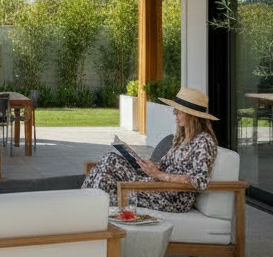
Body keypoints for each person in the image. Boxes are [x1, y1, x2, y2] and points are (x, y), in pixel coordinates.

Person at [82, 87, 219, 212]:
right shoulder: (182, 139)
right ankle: (84, 213)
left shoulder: (203, 142)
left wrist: (158, 175)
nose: (174, 114)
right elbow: (163, 166)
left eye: (178, 112)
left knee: (109, 161)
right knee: (102, 172)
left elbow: (200, 182)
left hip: (171, 197)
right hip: (157, 187)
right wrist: (151, 166)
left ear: (191, 115)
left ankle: (85, 214)